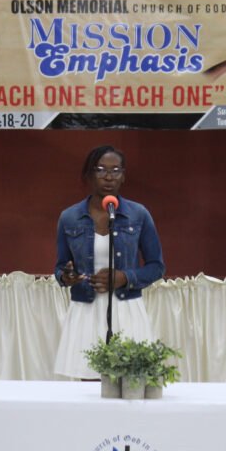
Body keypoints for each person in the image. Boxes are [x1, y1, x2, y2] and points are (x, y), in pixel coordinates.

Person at [54, 145, 165, 378]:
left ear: (123, 176)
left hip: (126, 309)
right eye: (101, 169)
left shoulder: (138, 214)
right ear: (89, 174)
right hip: (86, 309)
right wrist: (67, 277)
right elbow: (61, 267)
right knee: (89, 385)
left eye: (115, 170)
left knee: (130, 384)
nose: (108, 176)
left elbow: (157, 267)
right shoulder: (69, 217)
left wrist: (125, 278)